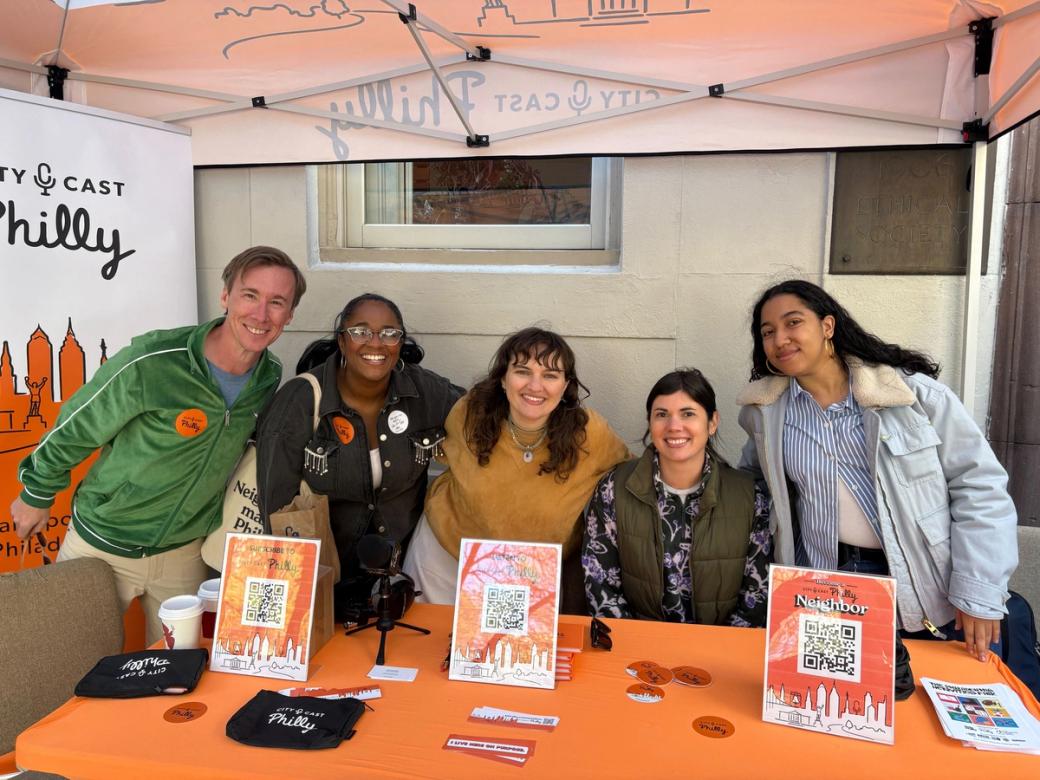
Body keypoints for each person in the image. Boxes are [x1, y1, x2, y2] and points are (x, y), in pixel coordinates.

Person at [11, 245, 305, 644]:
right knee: (68, 662)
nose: (260, 314)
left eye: (276, 303)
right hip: (102, 543)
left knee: (178, 672)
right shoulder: (154, 361)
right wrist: (37, 491)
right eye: (250, 295)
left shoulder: (268, 377)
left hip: (184, 554)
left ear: (289, 315)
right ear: (226, 297)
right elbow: (78, 425)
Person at [737, 279, 1018, 661]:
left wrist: (978, 590)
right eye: (768, 332)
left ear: (827, 326)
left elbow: (979, 487)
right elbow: (754, 488)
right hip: (823, 579)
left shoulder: (911, 397)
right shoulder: (766, 412)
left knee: (920, 703)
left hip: (919, 581)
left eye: (792, 323)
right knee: (844, 706)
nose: (780, 339)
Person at [256, 293, 463, 618]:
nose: (376, 343)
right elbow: (275, 509)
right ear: (342, 340)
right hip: (324, 583)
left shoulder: (425, 393)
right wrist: (313, 594)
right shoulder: (298, 402)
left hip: (401, 583)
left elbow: (484, 419)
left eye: (389, 333)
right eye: (361, 331)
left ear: (401, 342)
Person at [403, 327, 629, 607]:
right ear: (502, 378)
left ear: (566, 384)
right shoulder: (469, 414)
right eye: (522, 371)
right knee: (426, 649)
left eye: (550, 375)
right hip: (446, 561)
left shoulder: (589, 433)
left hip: (532, 574)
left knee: (508, 651)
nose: (535, 386)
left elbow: (630, 479)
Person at [582, 369, 771, 626]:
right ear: (650, 422)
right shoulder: (614, 490)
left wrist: (713, 657)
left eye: (688, 414)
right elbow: (600, 584)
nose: (674, 426)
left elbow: (757, 597)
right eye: (662, 415)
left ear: (712, 422)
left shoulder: (750, 497)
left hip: (720, 656)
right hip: (636, 653)